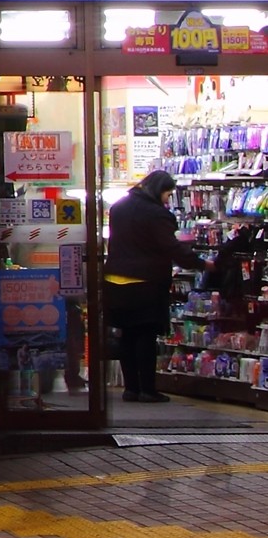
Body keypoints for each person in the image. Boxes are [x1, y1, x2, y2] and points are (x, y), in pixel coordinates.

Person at [107, 170, 205, 404]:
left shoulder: (118, 207)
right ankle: (148, 390)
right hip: (145, 282)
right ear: (159, 189)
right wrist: (200, 263)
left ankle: (131, 389)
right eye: (168, 194)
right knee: (145, 336)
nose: (168, 200)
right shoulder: (156, 214)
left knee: (127, 336)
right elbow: (170, 247)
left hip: (115, 281)